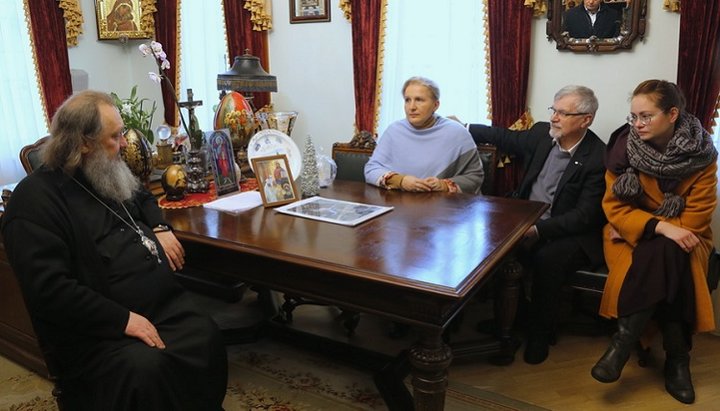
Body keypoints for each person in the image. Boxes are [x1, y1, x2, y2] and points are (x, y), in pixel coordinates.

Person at [1, 91, 228, 410]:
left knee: (205, 335)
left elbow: (143, 197)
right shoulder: (34, 203)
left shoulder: (100, 170)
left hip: (157, 307)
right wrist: (122, 319)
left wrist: (160, 228)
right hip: (97, 331)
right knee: (148, 370)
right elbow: (49, 290)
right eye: (116, 135)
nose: (124, 143)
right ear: (83, 142)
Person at [590, 80, 717, 404]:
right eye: (633, 116)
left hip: (683, 237)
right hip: (628, 238)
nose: (637, 124)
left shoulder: (703, 155)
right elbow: (614, 209)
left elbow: (696, 218)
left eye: (646, 116)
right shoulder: (622, 149)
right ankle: (678, 361)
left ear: (672, 114)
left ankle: (622, 344)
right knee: (669, 254)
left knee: (670, 253)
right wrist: (659, 227)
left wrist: (654, 228)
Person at [464, 85, 607, 364]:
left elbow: (584, 216)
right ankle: (508, 320)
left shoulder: (597, 157)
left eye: (564, 113)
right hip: (527, 218)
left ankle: (539, 333)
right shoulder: (543, 134)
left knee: (546, 259)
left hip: (570, 232)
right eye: (554, 109)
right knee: (491, 245)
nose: (554, 117)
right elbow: (503, 136)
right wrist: (463, 127)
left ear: (586, 119)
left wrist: (538, 230)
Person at [364, 76, 484, 194]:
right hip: (399, 204)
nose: (412, 107)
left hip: (444, 207)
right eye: (407, 100)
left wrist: (444, 185)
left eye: (419, 100)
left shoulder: (457, 133)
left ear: (436, 105)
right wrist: (401, 181)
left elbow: (475, 177)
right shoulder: (394, 131)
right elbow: (371, 169)